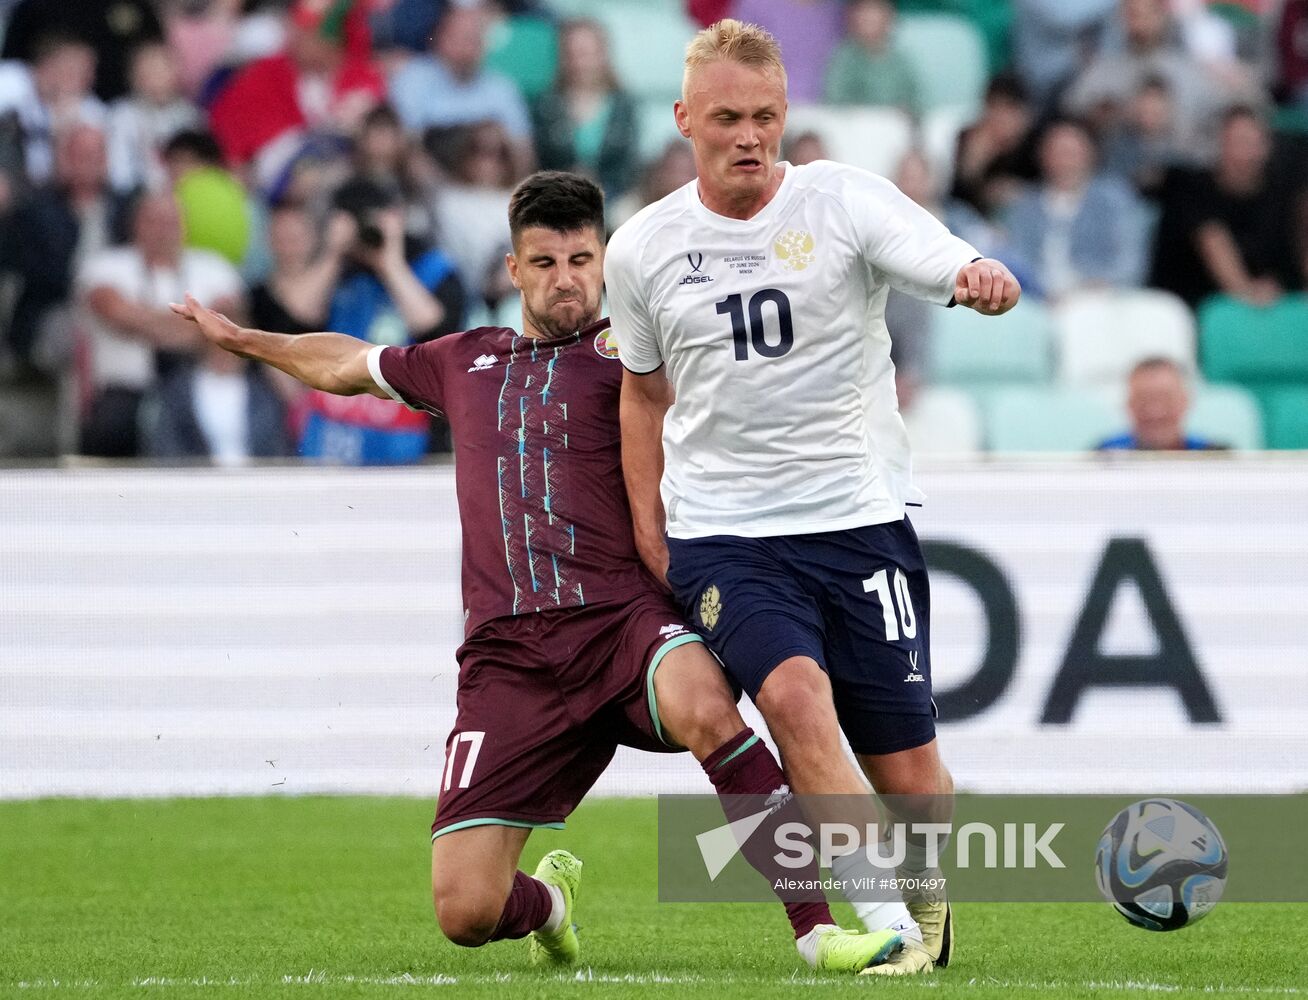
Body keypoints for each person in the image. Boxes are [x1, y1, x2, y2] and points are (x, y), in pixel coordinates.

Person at [169, 170, 903, 974]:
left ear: (605, 262)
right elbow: (349, 364)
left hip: (623, 622)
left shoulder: (639, 358)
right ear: (514, 270)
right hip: (509, 656)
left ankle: (816, 931)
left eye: (582, 260)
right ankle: (549, 904)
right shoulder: (464, 360)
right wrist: (245, 340)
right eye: (546, 263)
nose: (567, 279)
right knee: (466, 911)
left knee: (708, 709)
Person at [608, 20, 1021, 976]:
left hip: (856, 518)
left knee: (912, 778)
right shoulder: (644, 250)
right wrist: (649, 522)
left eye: (765, 117)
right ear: (684, 120)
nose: (749, 136)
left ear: (787, 115)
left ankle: (926, 893)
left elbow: (933, 256)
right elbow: (642, 389)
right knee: (795, 699)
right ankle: (884, 931)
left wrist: (972, 279)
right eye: (726, 119)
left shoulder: (841, 200)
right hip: (726, 532)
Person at [296, 176, 464, 464]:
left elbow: (436, 329)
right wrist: (333, 254)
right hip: (331, 446)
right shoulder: (337, 270)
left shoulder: (432, 267)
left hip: (410, 448)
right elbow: (296, 317)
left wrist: (389, 263)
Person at [76, 189, 245, 457]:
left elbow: (227, 324)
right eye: (153, 221)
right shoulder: (106, 266)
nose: (162, 231)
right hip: (124, 393)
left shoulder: (214, 268)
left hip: (196, 390)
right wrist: (193, 328)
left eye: (170, 222)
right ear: (136, 224)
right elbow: (114, 311)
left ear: (184, 227)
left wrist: (143, 324)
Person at [1002, 116, 1147, 301]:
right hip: (1039, 299)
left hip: (1100, 296)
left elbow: (1130, 261)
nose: (1065, 161)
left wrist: (1100, 284)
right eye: (1057, 152)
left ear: (1090, 154)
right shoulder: (1024, 206)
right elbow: (1016, 259)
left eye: (1072, 152)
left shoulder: (1114, 200)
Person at [530, 18, 639, 202]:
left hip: (613, 198)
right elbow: (537, 162)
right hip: (554, 197)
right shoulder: (545, 106)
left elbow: (628, 165)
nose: (580, 63)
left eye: (586, 53)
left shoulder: (623, 106)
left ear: (603, 55)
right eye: (572, 54)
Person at [1097, 356, 1226, 451]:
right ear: (1128, 405)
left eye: (1165, 400)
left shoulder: (1215, 457)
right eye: (1144, 401)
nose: (1155, 412)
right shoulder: (1101, 459)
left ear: (1185, 401)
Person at [823, 0, 920, 115]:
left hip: (894, 126)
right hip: (855, 126)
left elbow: (919, 99)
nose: (868, 20)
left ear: (890, 18)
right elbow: (833, 99)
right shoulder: (845, 59)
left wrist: (908, 110)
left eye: (875, 13)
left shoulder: (902, 61)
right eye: (863, 14)